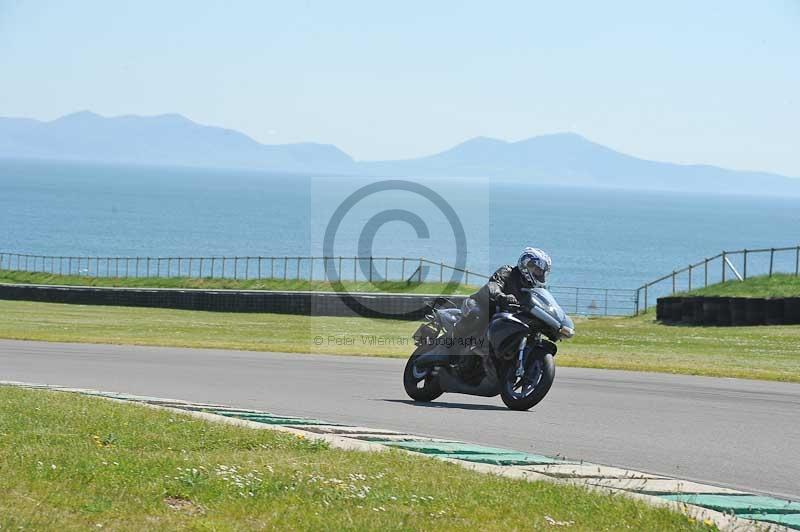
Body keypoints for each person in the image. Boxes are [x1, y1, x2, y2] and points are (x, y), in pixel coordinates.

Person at [454, 247, 552, 341]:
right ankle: (452, 342)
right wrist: (501, 296)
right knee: (476, 316)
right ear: (527, 265)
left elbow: (542, 302)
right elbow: (494, 285)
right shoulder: (507, 272)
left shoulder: (535, 287)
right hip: (484, 305)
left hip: (507, 316)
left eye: (542, 271)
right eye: (538, 270)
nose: (541, 274)